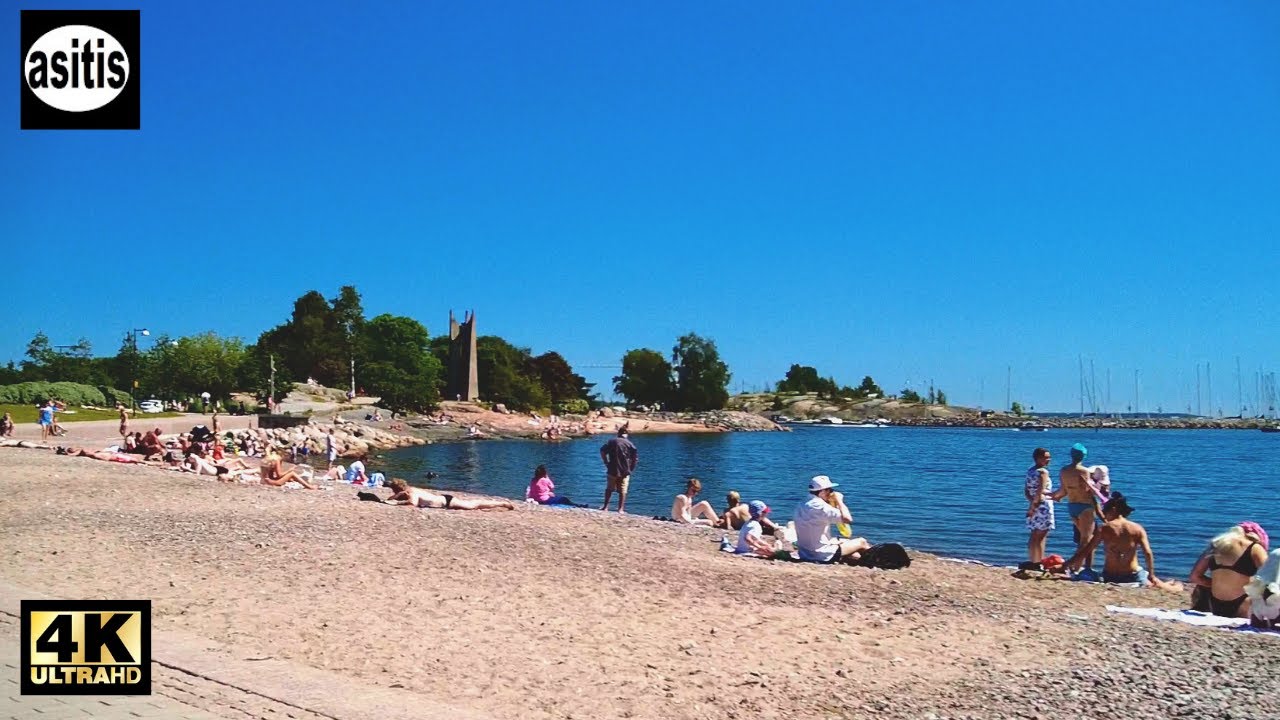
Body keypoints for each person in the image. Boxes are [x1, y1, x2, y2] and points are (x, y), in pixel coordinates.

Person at [1069, 492, 1159, 585]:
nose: (1104, 516)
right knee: (1148, 577)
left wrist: (1065, 565)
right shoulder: (1138, 528)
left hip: (1110, 576)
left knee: (1086, 574)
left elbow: (1087, 550)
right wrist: (1151, 575)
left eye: (1105, 512)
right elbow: (1148, 553)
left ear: (1113, 510)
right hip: (1131, 575)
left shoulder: (1104, 528)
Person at [1189, 522, 1270, 618]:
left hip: (1213, 604)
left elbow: (1195, 577)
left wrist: (1217, 584)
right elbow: (1270, 578)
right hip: (1244, 604)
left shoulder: (1216, 545)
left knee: (1201, 587)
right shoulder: (1254, 548)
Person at [792, 475, 870, 565]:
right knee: (862, 541)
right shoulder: (820, 507)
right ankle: (878, 560)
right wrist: (839, 501)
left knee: (854, 553)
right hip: (822, 555)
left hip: (805, 553)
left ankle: (862, 560)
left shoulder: (801, 504)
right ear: (822, 491)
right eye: (830, 490)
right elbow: (848, 519)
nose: (831, 493)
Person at [1059, 443, 1102, 574]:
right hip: (1085, 506)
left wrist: (1054, 496)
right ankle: (1074, 567)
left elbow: (1063, 490)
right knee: (1086, 540)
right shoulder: (1084, 471)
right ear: (1083, 456)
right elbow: (1089, 490)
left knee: (1084, 539)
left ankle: (1078, 567)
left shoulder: (1064, 471)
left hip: (1072, 506)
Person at [384, 478, 515, 510]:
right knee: (472, 504)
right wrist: (394, 497)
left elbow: (413, 503)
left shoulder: (411, 492)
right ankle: (501, 503)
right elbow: (391, 498)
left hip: (447, 502)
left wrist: (396, 503)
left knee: (473, 505)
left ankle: (502, 503)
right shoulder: (410, 489)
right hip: (443, 500)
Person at [1024, 447, 1055, 564]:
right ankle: (1040, 562)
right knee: (1042, 535)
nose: (1049, 460)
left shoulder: (1030, 471)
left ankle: (1033, 560)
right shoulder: (1043, 472)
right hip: (1043, 505)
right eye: (1046, 457)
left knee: (1034, 535)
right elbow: (1040, 490)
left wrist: (1031, 503)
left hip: (1034, 503)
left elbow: (1026, 491)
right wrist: (1035, 505)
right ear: (1038, 458)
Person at [599, 425, 638, 513]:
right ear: (626, 434)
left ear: (618, 433)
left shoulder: (611, 441)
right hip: (625, 470)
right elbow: (635, 459)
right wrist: (631, 469)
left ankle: (605, 507)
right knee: (623, 490)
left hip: (612, 468)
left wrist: (606, 462)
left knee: (609, 489)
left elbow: (602, 451)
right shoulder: (630, 444)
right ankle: (620, 509)